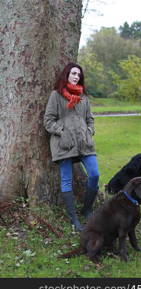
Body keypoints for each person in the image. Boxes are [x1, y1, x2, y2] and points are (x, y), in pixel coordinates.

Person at [44, 62, 100, 231]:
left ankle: (87, 209)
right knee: (66, 180)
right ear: (66, 75)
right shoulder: (56, 95)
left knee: (94, 174)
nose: (76, 77)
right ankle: (74, 219)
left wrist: (89, 131)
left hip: (84, 143)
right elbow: (48, 121)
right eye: (73, 73)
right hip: (64, 145)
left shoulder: (84, 98)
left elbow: (90, 119)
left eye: (79, 74)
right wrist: (63, 132)